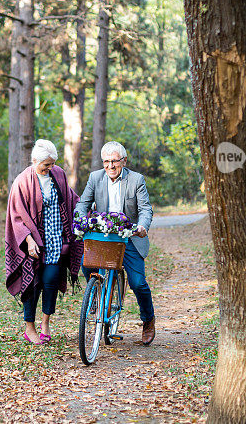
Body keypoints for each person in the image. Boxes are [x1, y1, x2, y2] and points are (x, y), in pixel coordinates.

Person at [75, 141, 156, 345]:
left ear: (124, 161)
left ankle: (148, 320)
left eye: (115, 161)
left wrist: (142, 226)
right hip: (104, 235)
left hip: (129, 237)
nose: (110, 166)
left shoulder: (136, 180)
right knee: (87, 263)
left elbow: (146, 209)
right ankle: (96, 294)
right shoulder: (95, 178)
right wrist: (80, 220)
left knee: (138, 283)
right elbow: (82, 204)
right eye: (106, 162)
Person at [5, 139, 84, 345]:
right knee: (31, 283)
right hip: (34, 242)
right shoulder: (22, 181)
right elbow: (16, 216)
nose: (50, 168)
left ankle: (45, 322)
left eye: (52, 164)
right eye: (46, 165)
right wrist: (29, 240)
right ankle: (29, 327)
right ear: (34, 160)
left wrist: (86, 208)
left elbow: (70, 198)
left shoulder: (57, 174)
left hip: (56, 239)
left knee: (50, 280)